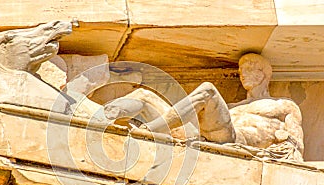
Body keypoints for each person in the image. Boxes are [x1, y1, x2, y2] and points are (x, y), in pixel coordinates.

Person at [105, 53, 304, 161]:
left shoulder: (284, 105)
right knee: (144, 95)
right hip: (204, 135)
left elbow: (296, 147)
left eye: (250, 68)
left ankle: (149, 130)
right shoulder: (233, 106)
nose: (243, 74)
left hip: (234, 139)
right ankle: (96, 119)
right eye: (241, 69)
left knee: (208, 90)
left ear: (264, 73)